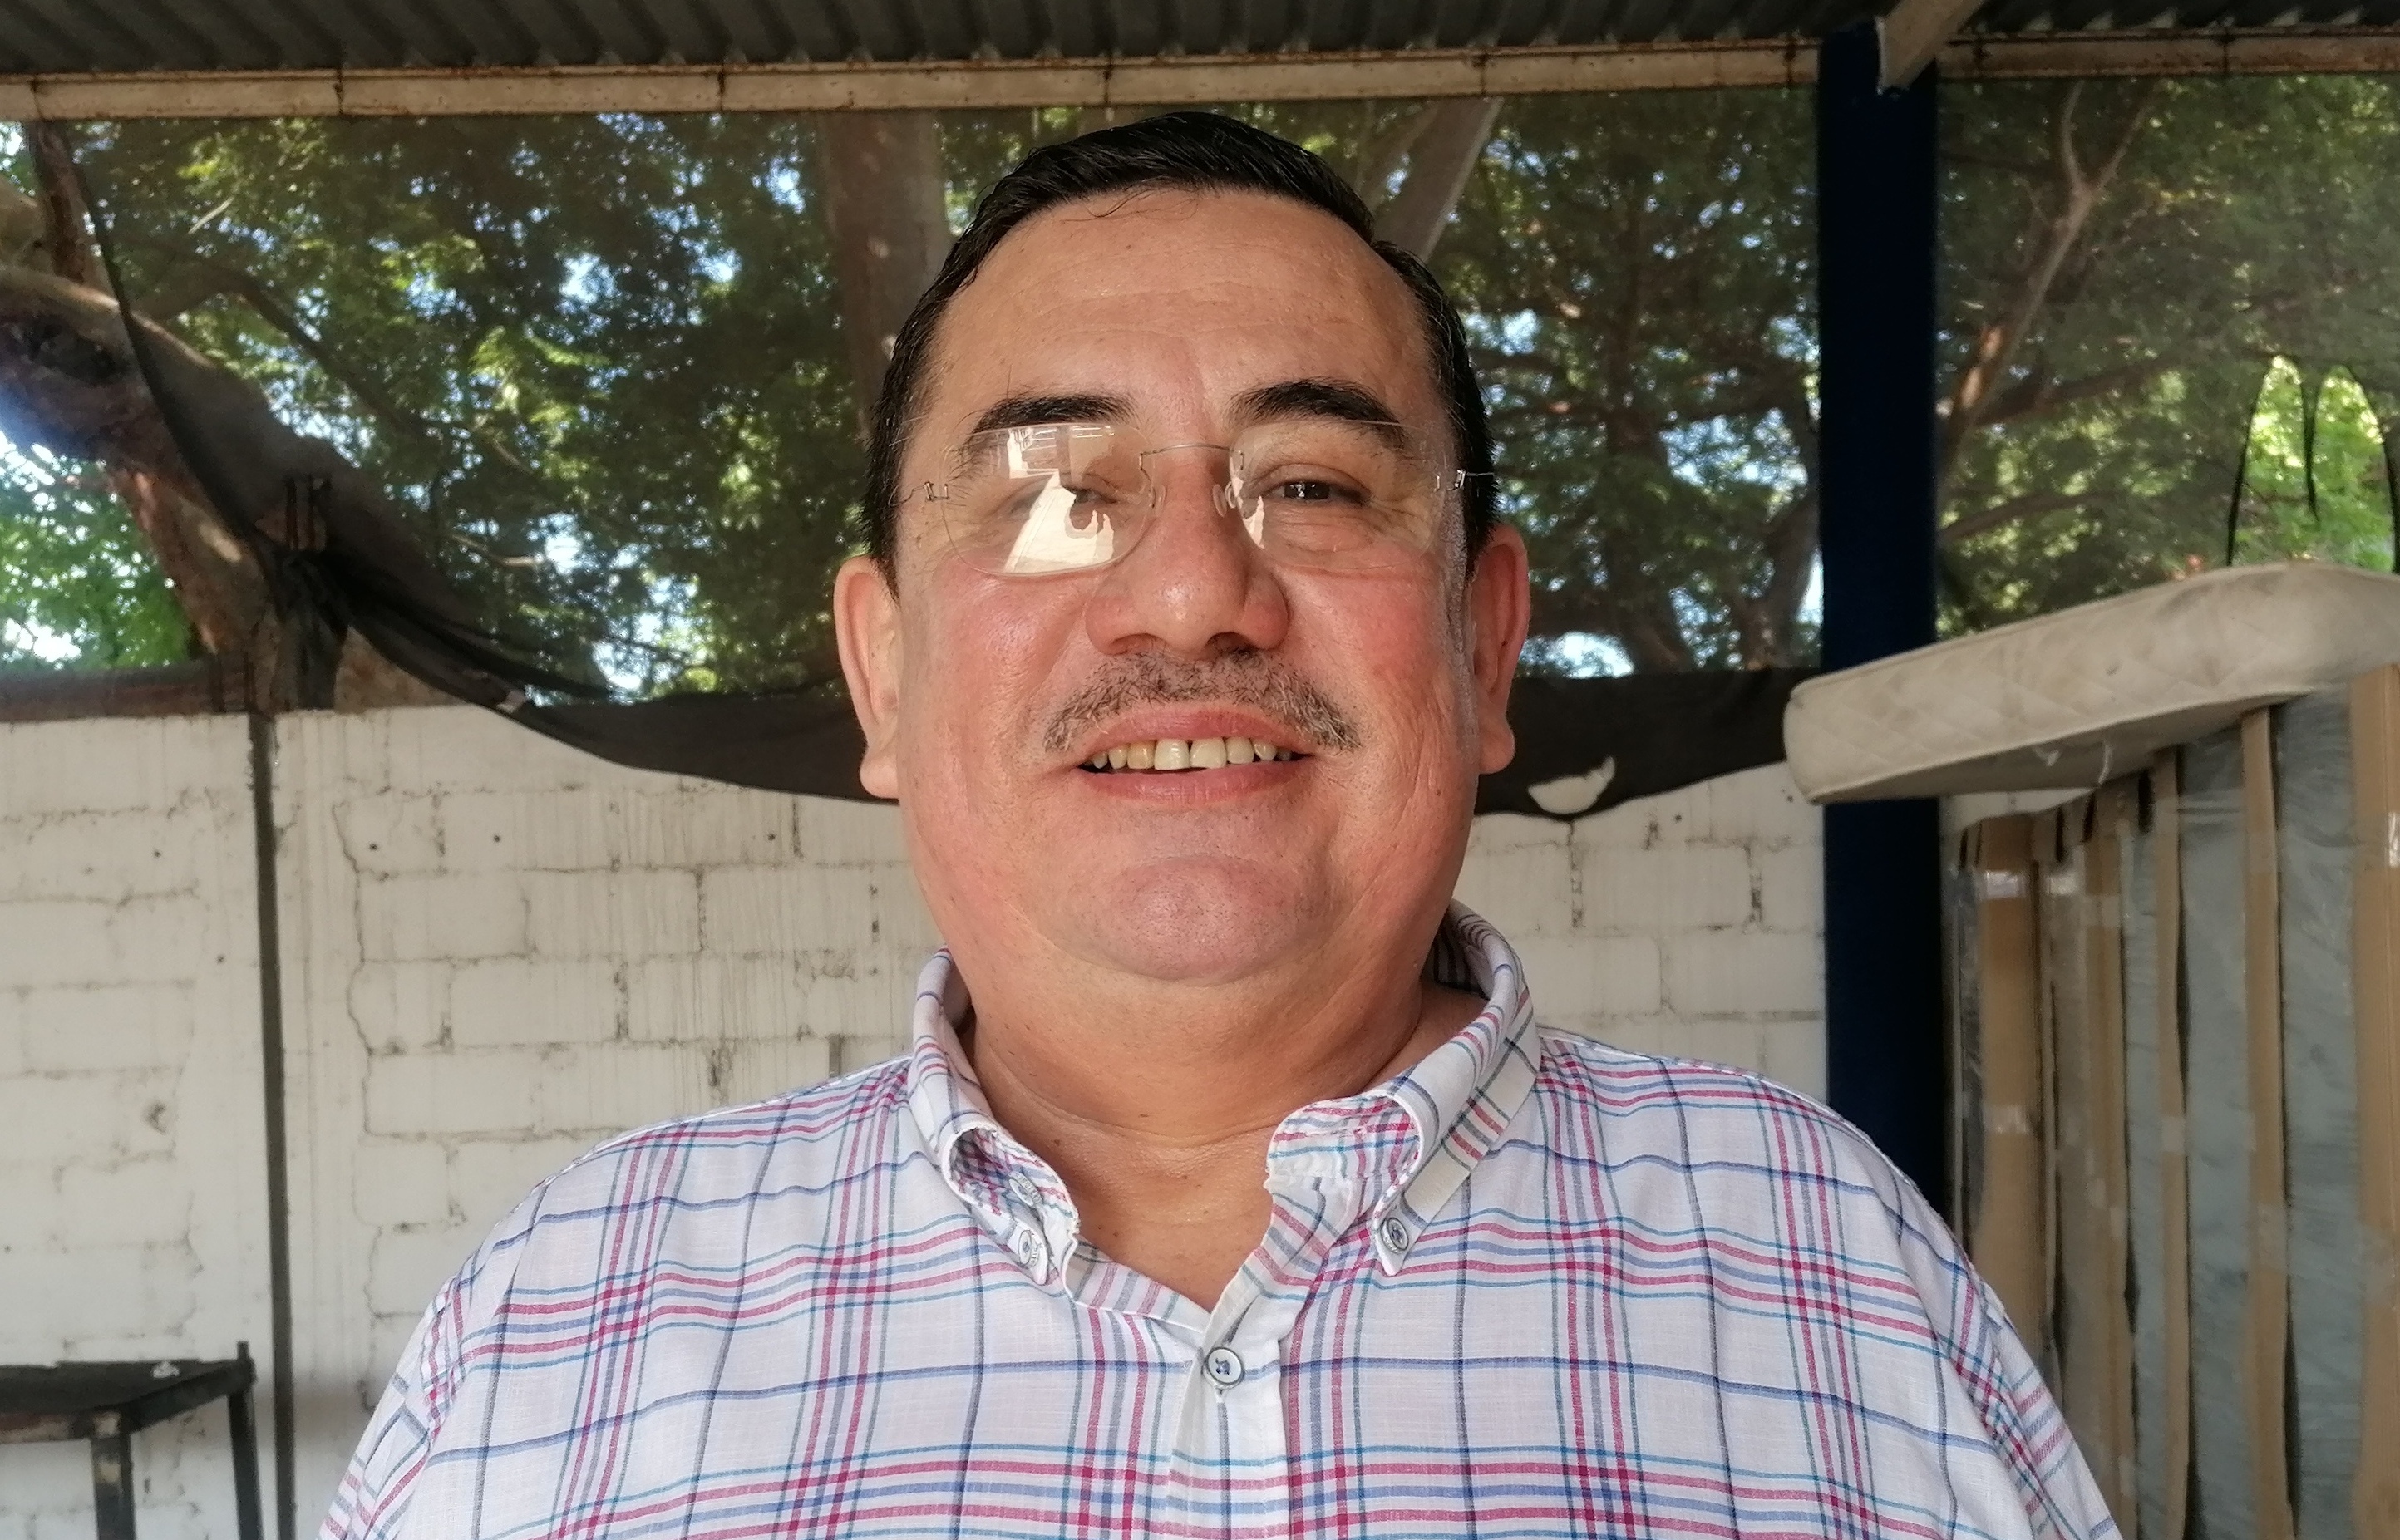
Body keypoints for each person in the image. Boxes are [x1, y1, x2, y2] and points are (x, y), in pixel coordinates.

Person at [323, 112, 2114, 1539]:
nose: (1191, 594)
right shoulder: (566, 1310)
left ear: (1484, 646)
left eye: (1312, 486)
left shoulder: (1827, 1260)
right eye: (1055, 495)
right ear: (882, 673)